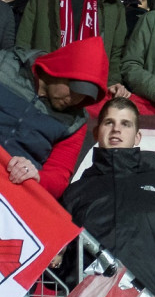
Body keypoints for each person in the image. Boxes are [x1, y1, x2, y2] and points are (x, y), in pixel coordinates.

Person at [61, 97, 155, 297]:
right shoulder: (75, 193)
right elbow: (57, 255)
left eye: (125, 124)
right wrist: (74, 283)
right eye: (109, 123)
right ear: (96, 132)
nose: (116, 130)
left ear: (137, 136)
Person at [1, 37, 108, 198]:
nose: (75, 100)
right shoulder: (5, 66)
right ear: (59, 70)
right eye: (73, 90)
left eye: (84, 96)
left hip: (15, 190)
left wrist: (36, 176)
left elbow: (59, 174)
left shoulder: (75, 122)